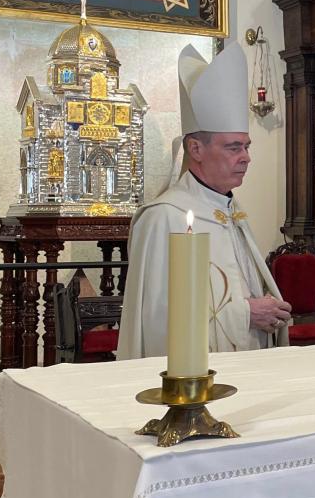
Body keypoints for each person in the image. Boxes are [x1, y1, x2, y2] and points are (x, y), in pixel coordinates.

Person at [118, 40, 292, 359]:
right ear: (196, 149)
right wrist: (245, 315)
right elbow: (155, 319)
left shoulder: (231, 212)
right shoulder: (164, 217)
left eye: (247, 146)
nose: (246, 158)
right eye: (233, 147)